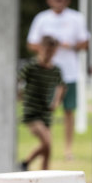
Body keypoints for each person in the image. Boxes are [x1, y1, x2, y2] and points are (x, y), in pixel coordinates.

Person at [27, 0, 90, 160]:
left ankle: (67, 150)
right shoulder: (42, 19)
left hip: (69, 73)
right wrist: (49, 47)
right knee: (46, 113)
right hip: (48, 75)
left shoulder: (76, 18)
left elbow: (85, 42)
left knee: (69, 110)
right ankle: (47, 146)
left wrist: (70, 46)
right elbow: (31, 44)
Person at [19, 36, 65, 171]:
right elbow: (18, 79)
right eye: (46, 51)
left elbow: (61, 86)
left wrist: (55, 101)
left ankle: (45, 172)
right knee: (47, 141)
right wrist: (19, 93)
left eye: (51, 52)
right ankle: (25, 162)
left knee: (47, 148)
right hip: (32, 110)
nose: (48, 54)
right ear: (40, 49)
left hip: (46, 111)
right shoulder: (31, 67)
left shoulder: (55, 70)